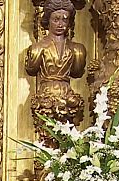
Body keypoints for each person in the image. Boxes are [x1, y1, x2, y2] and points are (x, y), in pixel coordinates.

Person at [25, 0, 86, 143]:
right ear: (47, 21)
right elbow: (32, 67)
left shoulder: (77, 50)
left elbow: (77, 71)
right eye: (56, 19)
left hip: (68, 96)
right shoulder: (38, 48)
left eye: (65, 20)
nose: (60, 24)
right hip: (45, 96)